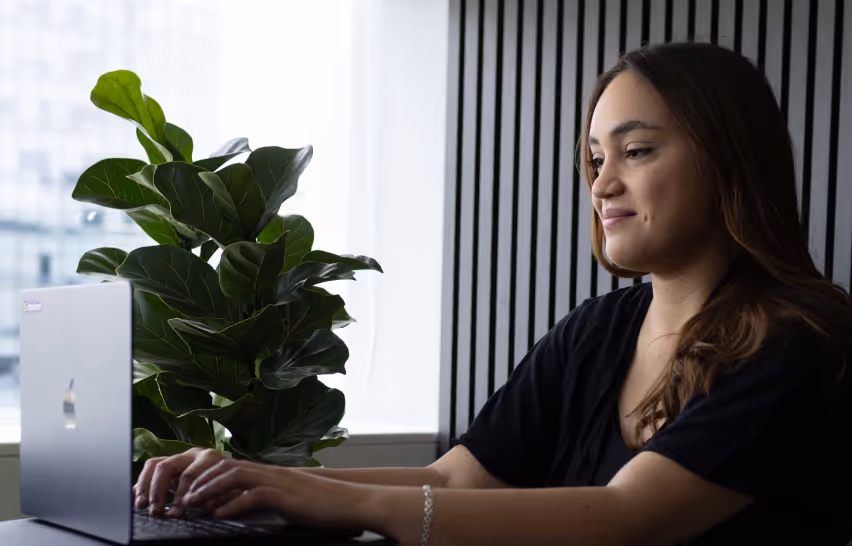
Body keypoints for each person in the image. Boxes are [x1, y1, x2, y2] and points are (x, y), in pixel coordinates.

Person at [132, 42, 852, 545]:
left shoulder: (796, 344)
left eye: (636, 152)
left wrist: (328, 498)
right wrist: (255, 480)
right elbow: (455, 480)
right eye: (596, 158)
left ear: (729, 161)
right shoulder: (595, 332)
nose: (601, 185)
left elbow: (626, 519)